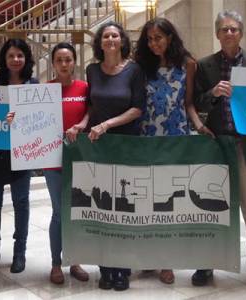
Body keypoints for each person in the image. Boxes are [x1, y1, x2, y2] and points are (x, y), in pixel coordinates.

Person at [193, 10, 246, 290]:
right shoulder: (204, 66)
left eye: (234, 29)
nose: (229, 33)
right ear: (217, 34)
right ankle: (206, 263)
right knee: (210, 209)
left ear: (241, 33)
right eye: (224, 29)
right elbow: (196, 104)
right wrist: (212, 94)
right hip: (216, 146)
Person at [134, 17, 213, 285]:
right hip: (147, 136)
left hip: (176, 136)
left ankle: (166, 259)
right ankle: (148, 257)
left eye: (158, 37)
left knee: (168, 200)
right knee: (146, 199)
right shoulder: (142, 66)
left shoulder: (187, 64)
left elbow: (188, 103)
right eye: (149, 39)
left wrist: (200, 126)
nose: (154, 43)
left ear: (170, 37)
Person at [86, 21, 145, 291]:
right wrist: (82, 124)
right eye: (106, 36)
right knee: (101, 207)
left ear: (122, 41)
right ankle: (105, 266)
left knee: (123, 208)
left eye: (115, 35)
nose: (110, 39)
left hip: (126, 145)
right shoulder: (92, 70)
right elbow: (91, 106)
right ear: (100, 42)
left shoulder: (134, 70)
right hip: (99, 148)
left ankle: (122, 266)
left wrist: (106, 124)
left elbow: (137, 109)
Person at [44, 42, 90, 284]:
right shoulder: (44, 90)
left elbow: (92, 112)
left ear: (74, 62)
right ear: (53, 64)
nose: (64, 64)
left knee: (77, 213)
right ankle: (55, 263)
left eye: (68, 59)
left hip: (79, 159)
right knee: (59, 213)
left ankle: (75, 261)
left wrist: (82, 123)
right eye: (59, 60)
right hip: (53, 162)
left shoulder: (84, 87)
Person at [0, 38, 38, 273]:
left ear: (26, 59)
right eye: (11, 55)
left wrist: (21, 119)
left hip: (23, 156)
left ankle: (19, 253)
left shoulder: (33, 85)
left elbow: (39, 121)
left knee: (21, 204)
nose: (15, 60)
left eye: (20, 55)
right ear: (4, 59)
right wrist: (3, 119)